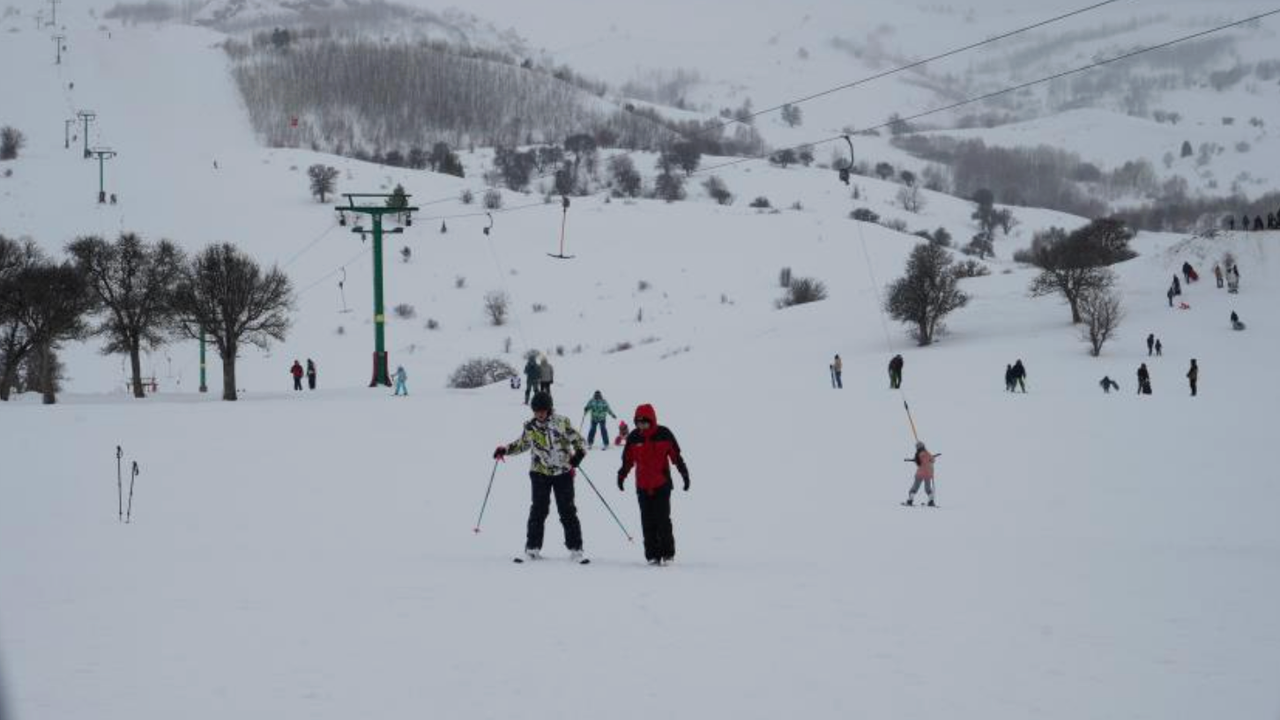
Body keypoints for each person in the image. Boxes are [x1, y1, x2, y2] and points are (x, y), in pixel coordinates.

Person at [495, 392, 587, 562]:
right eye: (537, 411)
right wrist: (505, 450)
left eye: (543, 410)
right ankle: (532, 548)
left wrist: (579, 454)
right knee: (538, 510)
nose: (540, 414)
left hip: (563, 473)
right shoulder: (530, 427)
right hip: (539, 472)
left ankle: (576, 549)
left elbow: (579, 440)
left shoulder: (562, 422)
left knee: (567, 510)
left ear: (549, 409)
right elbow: (522, 444)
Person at [617, 404, 689, 566]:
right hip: (642, 486)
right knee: (647, 522)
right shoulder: (634, 437)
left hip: (661, 484)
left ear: (651, 420)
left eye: (644, 422)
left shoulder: (664, 434)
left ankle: (667, 554)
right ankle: (652, 556)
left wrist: (684, 474)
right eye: (638, 423)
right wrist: (621, 476)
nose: (641, 426)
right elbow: (627, 460)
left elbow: (676, 457)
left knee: (663, 520)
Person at [902, 441, 938, 507]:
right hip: (928, 474)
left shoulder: (918, 454)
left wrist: (916, 460)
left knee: (915, 487)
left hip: (920, 474)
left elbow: (918, 464)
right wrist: (929, 459)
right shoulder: (928, 453)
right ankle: (931, 501)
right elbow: (933, 460)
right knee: (928, 489)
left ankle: (910, 500)